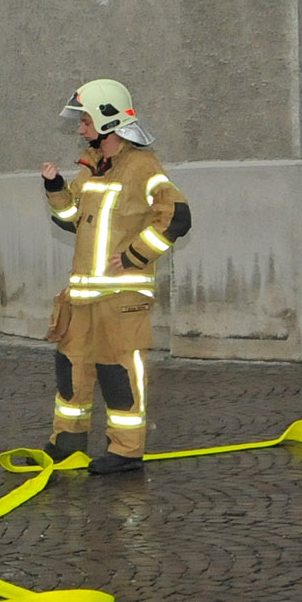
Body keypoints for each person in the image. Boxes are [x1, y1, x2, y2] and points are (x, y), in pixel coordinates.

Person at [40, 79, 190, 475]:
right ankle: (67, 444)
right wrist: (55, 187)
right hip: (83, 297)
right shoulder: (91, 169)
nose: (80, 129)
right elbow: (70, 218)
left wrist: (134, 256)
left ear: (109, 120)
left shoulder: (143, 167)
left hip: (122, 299)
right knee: (71, 370)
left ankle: (126, 452)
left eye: (86, 121)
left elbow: (176, 216)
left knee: (117, 374)